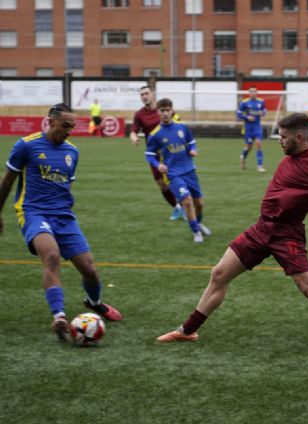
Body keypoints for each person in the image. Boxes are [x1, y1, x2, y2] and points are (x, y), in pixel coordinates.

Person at [156, 113, 308, 351]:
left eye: (283, 137)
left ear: (299, 137)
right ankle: (188, 331)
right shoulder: (292, 158)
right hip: (261, 229)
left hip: (287, 235)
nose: (280, 141)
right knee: (219, 273)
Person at [0, 103, 122, 342]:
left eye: (72, 127)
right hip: (34, 212)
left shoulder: (72, 152)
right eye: (65, 126)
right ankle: (59, 316)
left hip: (64, 216)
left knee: (89, 269)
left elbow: (64, 186)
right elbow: (7, 181)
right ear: (50, 121)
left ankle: (94, 302)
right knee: (52, 256)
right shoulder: (26, 145)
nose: (69, 130)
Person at [146, 98, 211, 243]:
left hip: (189, 170)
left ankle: (198, 224)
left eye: (168, 110)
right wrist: (158, 165)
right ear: (158, 112)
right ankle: (196, 232)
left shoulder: (182, 127)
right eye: (162, 111)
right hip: (173, 174)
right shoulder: (155, 134)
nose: (165, 114)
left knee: (199, 203)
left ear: (172, 111)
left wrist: (193, 150)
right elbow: (149, 155)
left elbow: (192, 142)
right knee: (187, 201)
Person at [130, 85, 185, 221]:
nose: (144, 96)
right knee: (161, 183)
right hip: (154, 154)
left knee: (176, 180)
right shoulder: (139, 114)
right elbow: (133, 131)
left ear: (152, 94)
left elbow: (178, 123)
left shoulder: (163, 108)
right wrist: (135, 138)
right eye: (142, 94)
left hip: (170, 151)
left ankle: (187, 205)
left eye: (146, 93)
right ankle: (177, 207)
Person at [237, 86, 267, 172]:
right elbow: (238, 113)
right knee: (249, 147)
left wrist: (263, 113)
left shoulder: (261, 102)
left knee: (258, 144)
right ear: (249, 93)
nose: (253, 93)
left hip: (257, 127)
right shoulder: (244, 103)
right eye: (251, 91)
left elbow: (264, 111)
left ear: (257, 93)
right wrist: (247, 117)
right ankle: (243, 156)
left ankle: (260, 166)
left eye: (254, 91)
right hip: (248, 128)